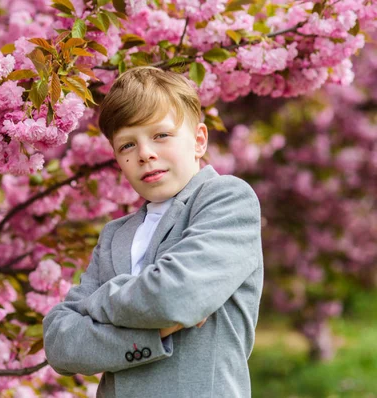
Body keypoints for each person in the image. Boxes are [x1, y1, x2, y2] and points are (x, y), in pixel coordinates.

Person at [43, 66, 264, 397]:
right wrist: (153, 332)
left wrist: (94, 306)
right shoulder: (114, 235)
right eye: (127, 145)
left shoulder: (227, 199)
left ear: (199, 140)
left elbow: (178, 297)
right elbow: (60, 344)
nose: (145, 153)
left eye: (161, 135)